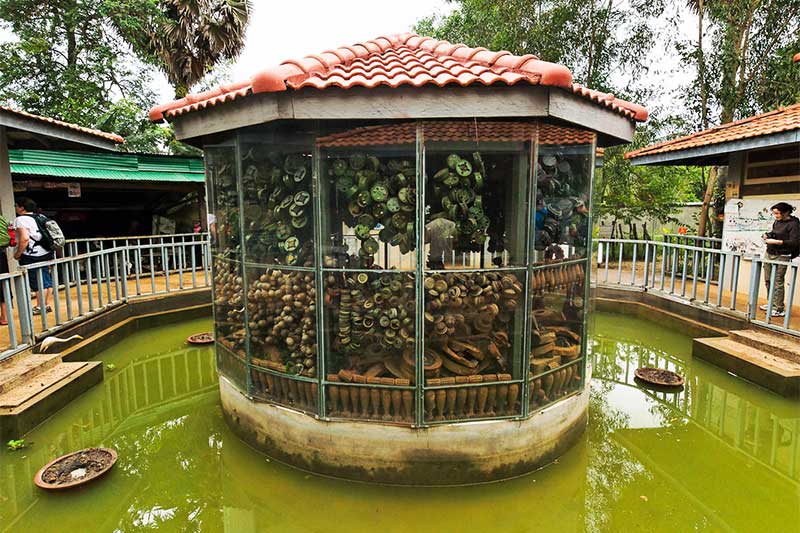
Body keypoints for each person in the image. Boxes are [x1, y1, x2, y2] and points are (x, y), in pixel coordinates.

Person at [13, 197, 54, 315]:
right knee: (45, 278)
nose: (15, 208)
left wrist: (18, 254)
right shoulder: (41, 217)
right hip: (46, 252)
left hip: (31, 254)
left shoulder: (20, 219)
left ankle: (39, 306)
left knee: (36, 281)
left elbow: (24, 238)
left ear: (22, 208)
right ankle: (46, 304)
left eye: (16, 206)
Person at [760, 202, 800, 317]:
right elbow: (774, 233)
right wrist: (767, 235)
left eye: (777, 213)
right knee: (768, 280)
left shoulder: (794, 224)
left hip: (783, 255)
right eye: (775, 214)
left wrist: (778, 242)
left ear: (786, 212)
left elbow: (795, 242)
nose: (776, 216)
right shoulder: (777, 221)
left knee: (778, 281)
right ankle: (771, 303)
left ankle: (779, 308)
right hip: (770, 252)